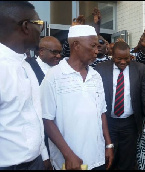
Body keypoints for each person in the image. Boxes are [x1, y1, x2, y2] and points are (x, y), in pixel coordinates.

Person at [41, 25, 113, 170]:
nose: (96, 51)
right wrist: (68, 155)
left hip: (97, 158)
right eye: (93, 46)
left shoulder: (96, 76)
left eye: (98, 46)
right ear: (76, 45)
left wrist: (109, 144)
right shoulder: (53, 76)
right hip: (70, 163)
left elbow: (102, 113)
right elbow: (46, 120)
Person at [0, 1, 50, 170]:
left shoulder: (25, 65)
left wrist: (44, 155)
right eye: (40, 24)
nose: (41, 31)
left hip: (35, 162)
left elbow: (33, 114)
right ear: (26, 27)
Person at [95, 41, 145, 170]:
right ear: (112, 56)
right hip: (108, 123)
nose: (123, 62)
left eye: (126, 58)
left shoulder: (139, 68)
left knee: (127, 159)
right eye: (119, 58)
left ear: (130, 56)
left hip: (130, 123)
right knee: (108, 158)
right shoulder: (101, 69)